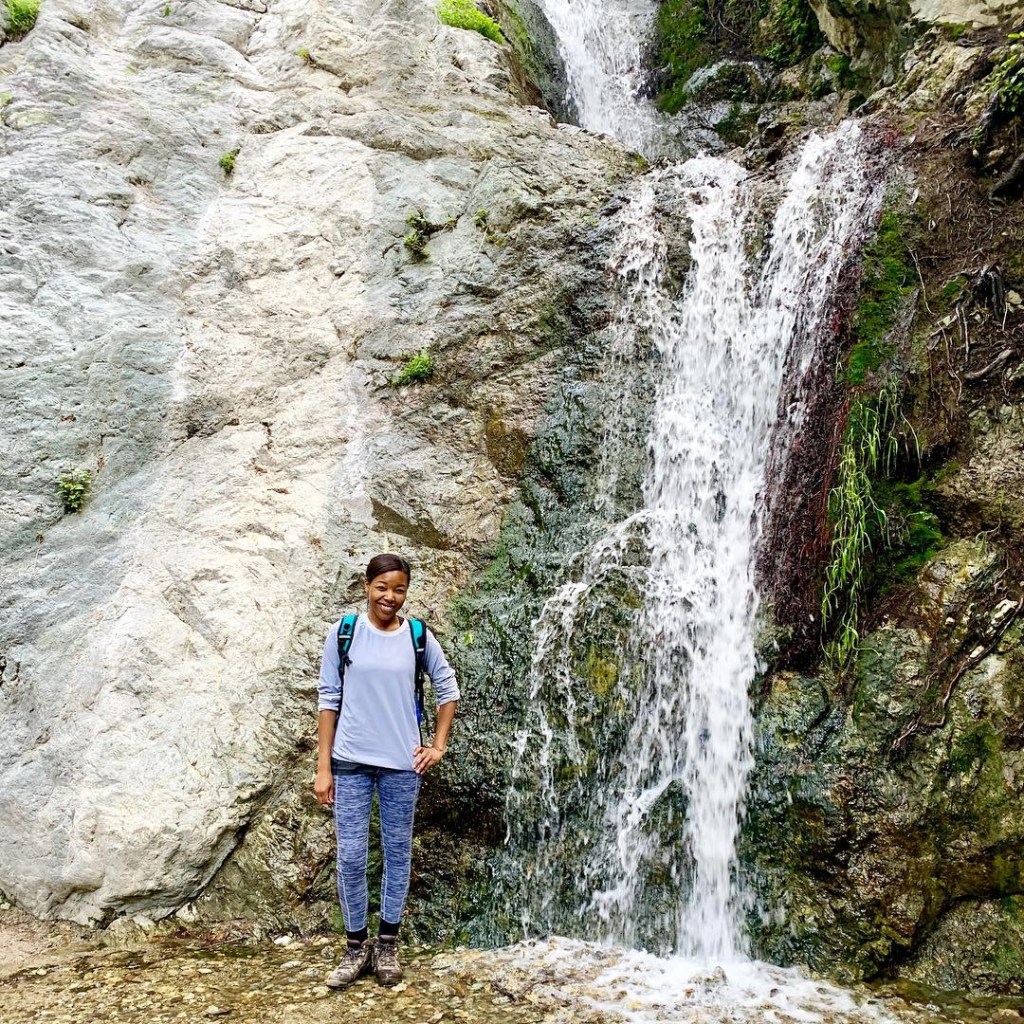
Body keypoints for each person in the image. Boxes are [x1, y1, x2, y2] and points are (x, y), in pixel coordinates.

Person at [314, 553, 459, 989]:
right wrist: (323, 767)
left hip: (401, 765)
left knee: (397, 854)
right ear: (366, 586)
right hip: (350, 762)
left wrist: (438, 746)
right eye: (382, 587)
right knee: (351, 856)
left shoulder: (417, 637)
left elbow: (447, 688)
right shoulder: (344, 633)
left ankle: (388, 945)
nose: (390, 597)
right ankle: (355, 947)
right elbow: (328, 699)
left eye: (399, 589)